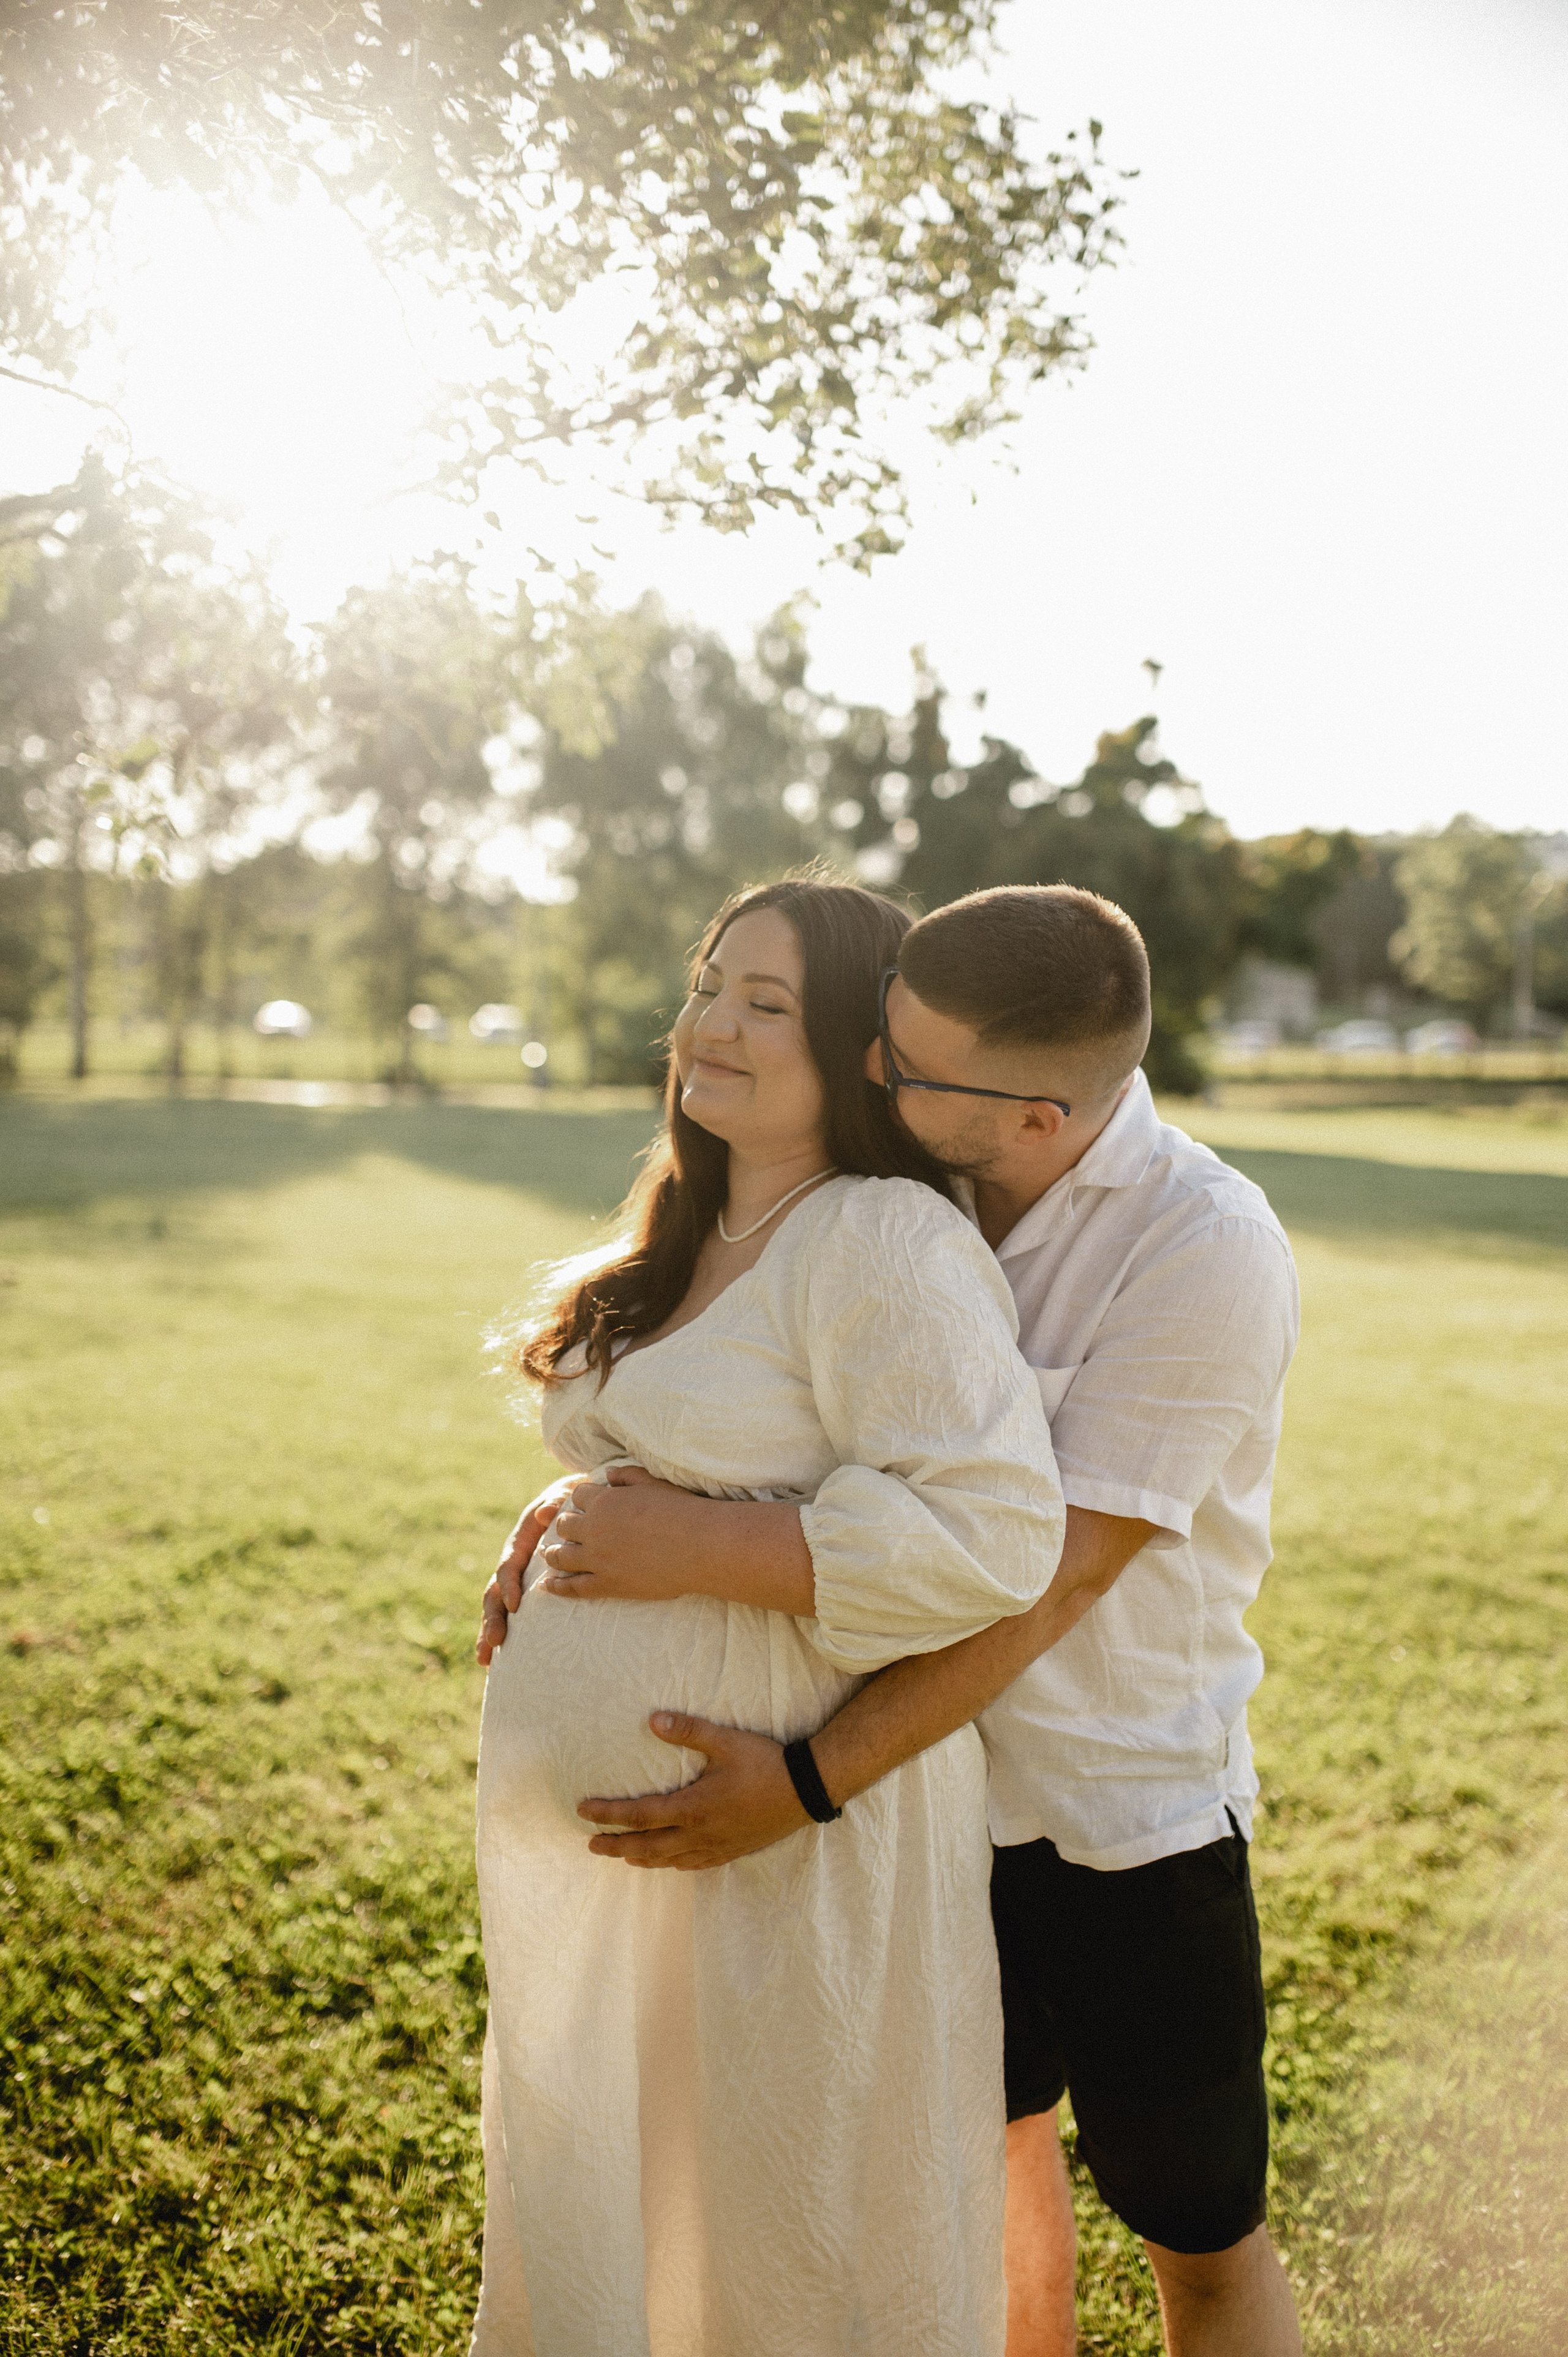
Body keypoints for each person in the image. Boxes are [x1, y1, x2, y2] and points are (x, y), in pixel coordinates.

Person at [486, 884, 1305, 2357]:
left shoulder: (1202, 1248)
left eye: (907, 1068)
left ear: (1038, 1117)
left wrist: (803, 1781)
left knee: (1195, 2220)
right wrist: (576, 1512)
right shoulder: (920, 1187)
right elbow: (779, 1423)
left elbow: (1045, 1574)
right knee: (976, 2170)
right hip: (924, 1812)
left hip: (1110, 1808)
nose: (878, 1073)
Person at [469, 878, 1067, 2357]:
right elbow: (682, 1439)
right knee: (636, 2203)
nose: (712, 1024)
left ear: (864, 1050)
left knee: (781, 2237)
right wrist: (567, 1515)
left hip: (797, 1850)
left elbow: (996, 1536)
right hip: (633, 1877)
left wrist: (688, 1538)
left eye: (768, 1003)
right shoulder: (691, 1221)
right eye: (708, 983)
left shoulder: (878, 1236)